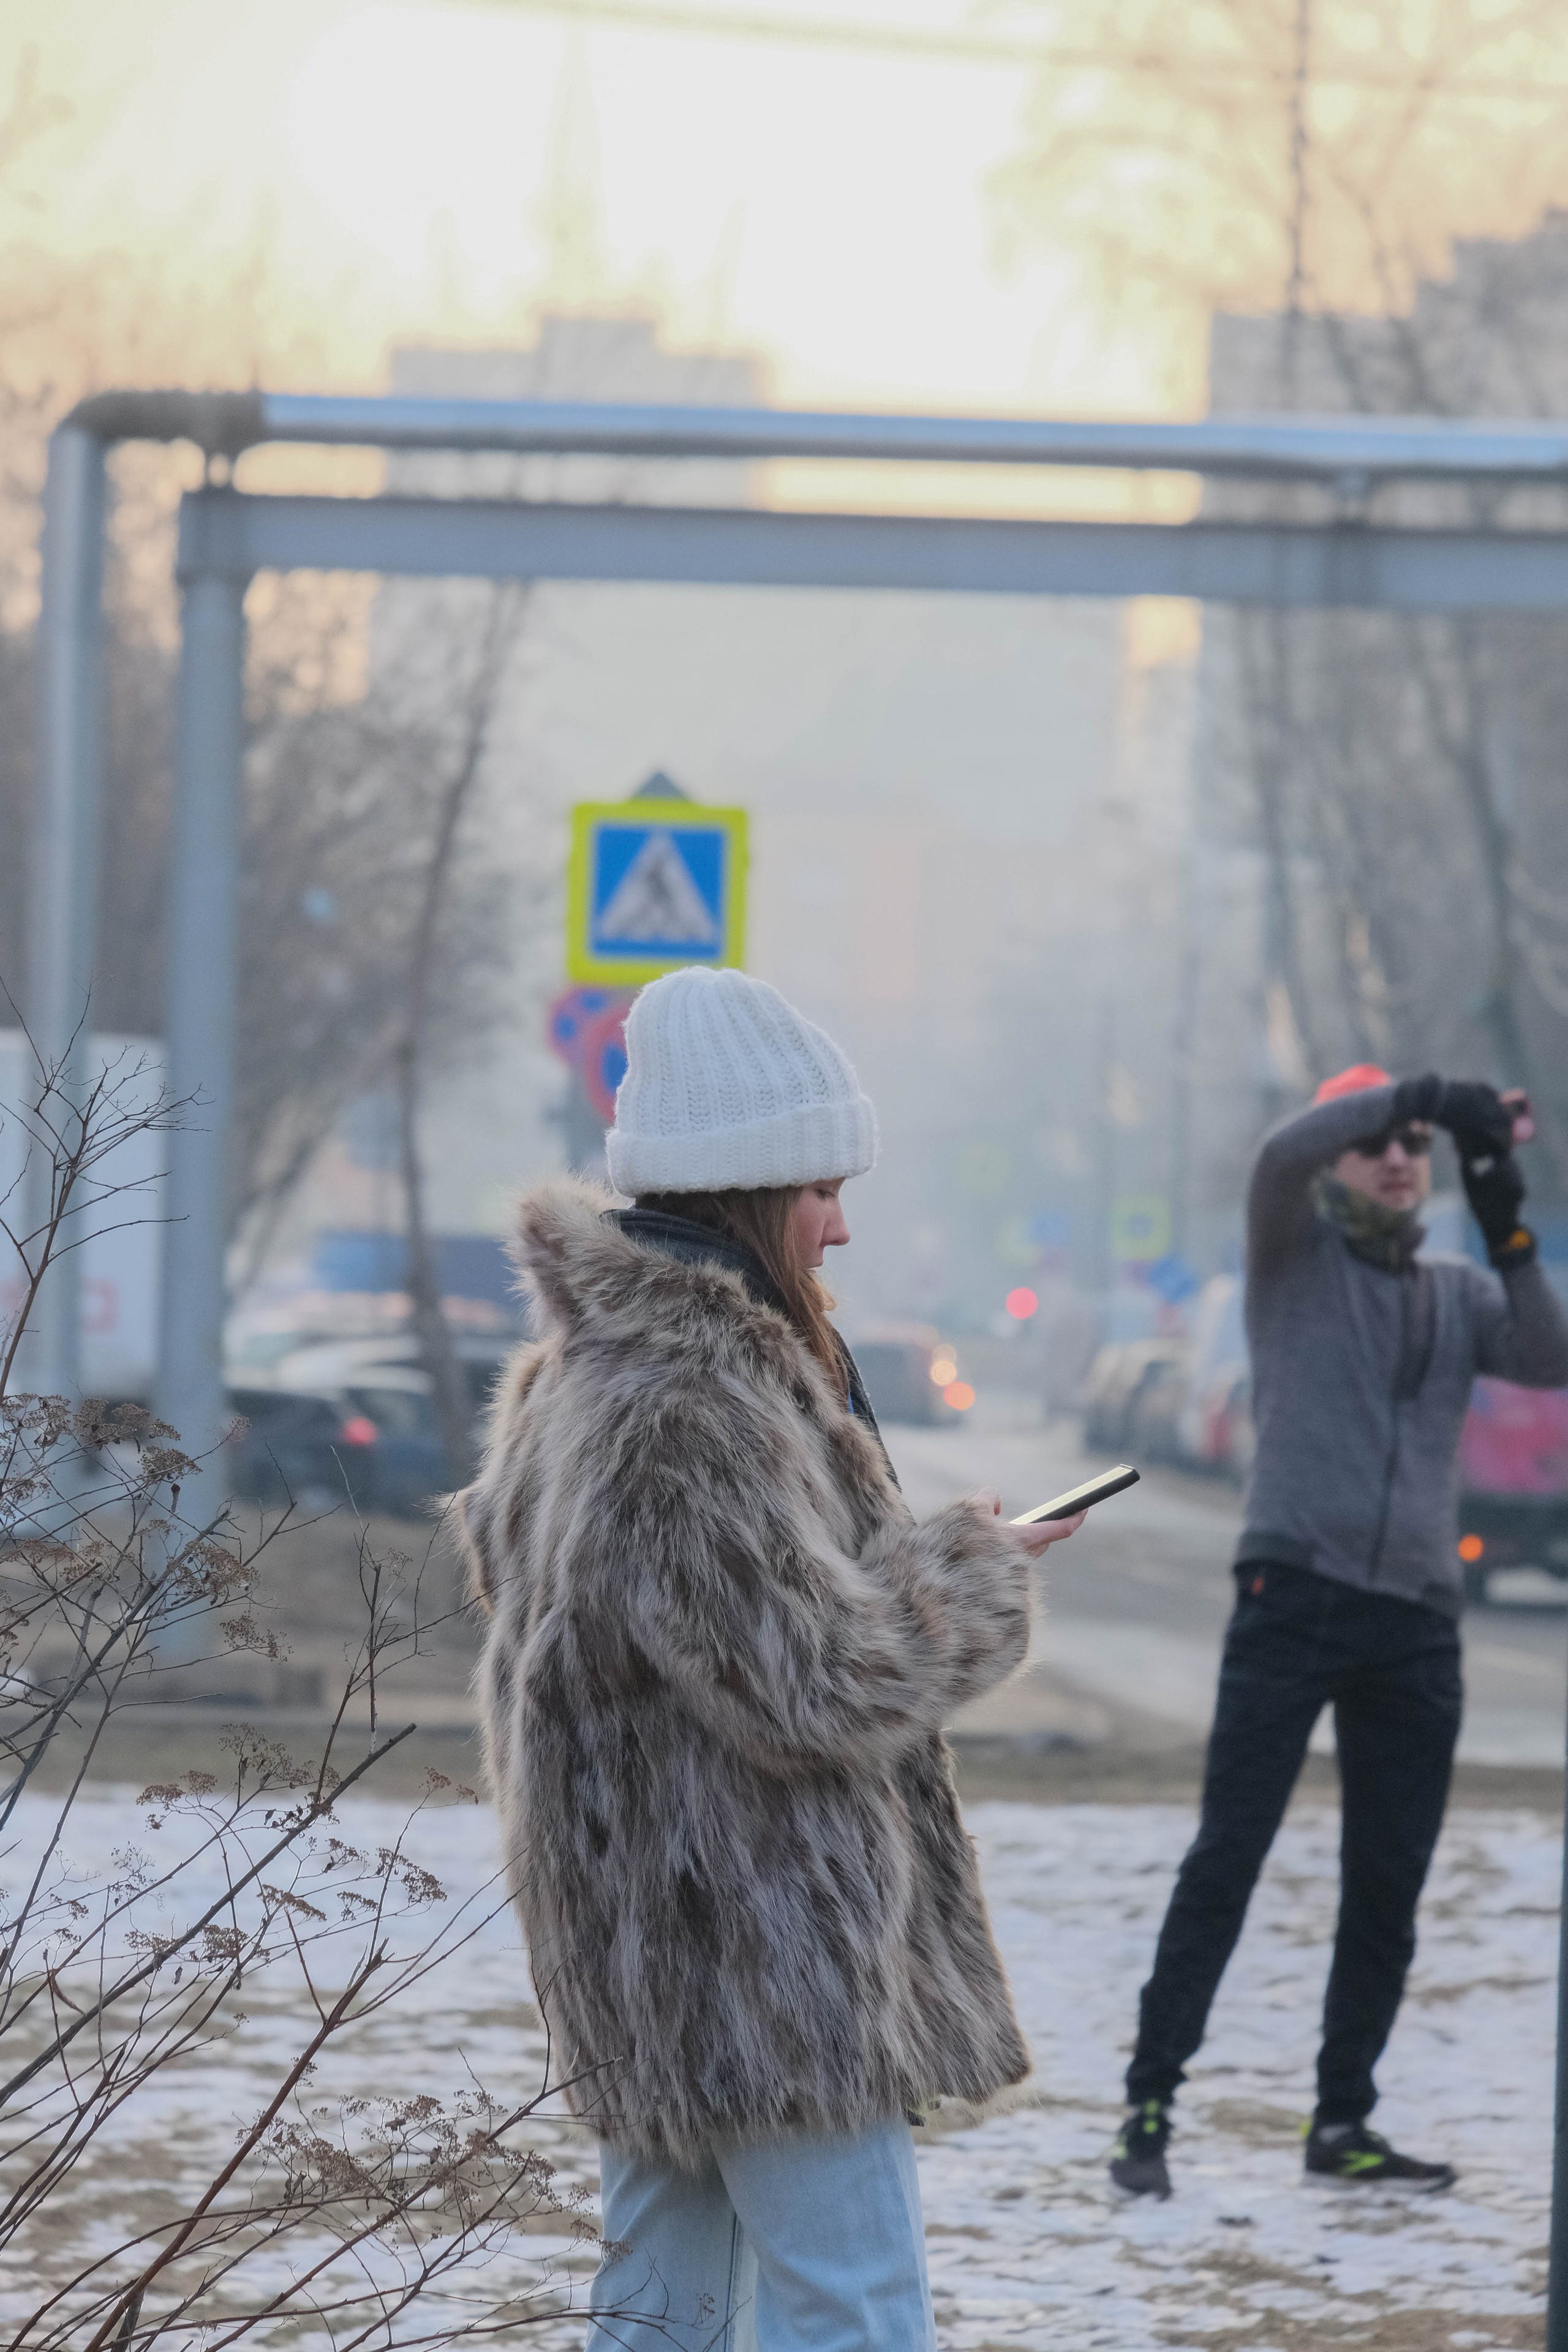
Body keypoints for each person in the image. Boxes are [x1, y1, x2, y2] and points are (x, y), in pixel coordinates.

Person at [459, 965, 1082, 2351]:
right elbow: (811, 1682)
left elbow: (663, 1640)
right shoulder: (687, 1395)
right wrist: (969, 1573)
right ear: (747, 1189)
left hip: (648, 1946)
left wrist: (903, 1552)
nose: (841, 1225)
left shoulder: (584, 1372)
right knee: (852, 2310)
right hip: (763, 1957)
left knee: (660, 2319)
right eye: (819, 1189)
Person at [1111, 1065, 1568, 2200]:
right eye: (1383, 1142)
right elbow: (1280, 1155)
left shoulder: (1457, 1291)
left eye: (1419, 1145)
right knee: (1230, 1857)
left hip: (1416, 1617)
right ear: (1344, 1154)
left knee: (1387, 1886)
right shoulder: (1289, 1257)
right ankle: (1149, 2108)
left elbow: (1548, 1357)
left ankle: (1343, 2121)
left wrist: (1508, 1216)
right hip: (1295, 1591)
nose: (1402, 1158)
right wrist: (1415, 1090)